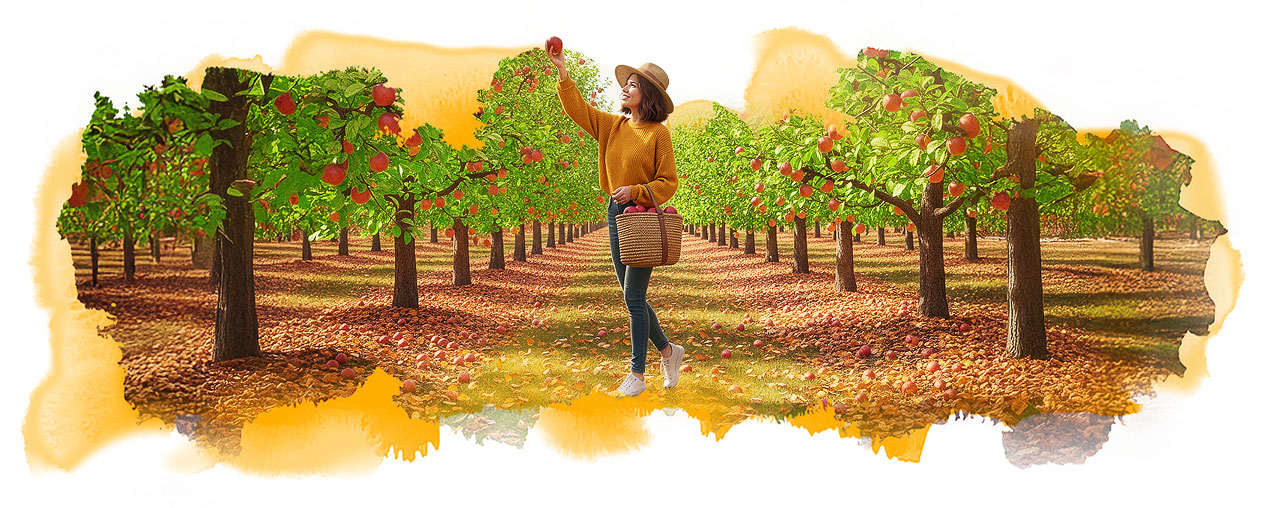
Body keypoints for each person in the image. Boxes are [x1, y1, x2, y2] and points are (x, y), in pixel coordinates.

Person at [548, 47, 684, 397]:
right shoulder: (612, 126)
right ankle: (669, 352)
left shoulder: (658, 134)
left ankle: (637, 374)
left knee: (633, 297)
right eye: (626, 84)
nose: (625, 88)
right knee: (632, 297)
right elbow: (579, 111)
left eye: (634, 85)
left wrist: (636, 190)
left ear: (648, 95)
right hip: (615, 214)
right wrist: (563, 72)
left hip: (641, 217)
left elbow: (667, 181)